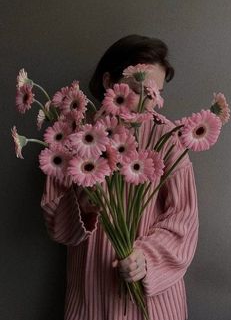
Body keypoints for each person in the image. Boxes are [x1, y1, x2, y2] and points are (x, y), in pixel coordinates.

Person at [41, 34, 199, 320]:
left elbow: (184, 219)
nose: (146, 105)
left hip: (153, 304)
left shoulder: (168, 140)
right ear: (108, 82)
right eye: (139, 90)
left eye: (155, 93)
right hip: (91, 296)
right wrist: (83, 206)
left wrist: (145, 259)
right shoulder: (73, 138)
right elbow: (55, 221)